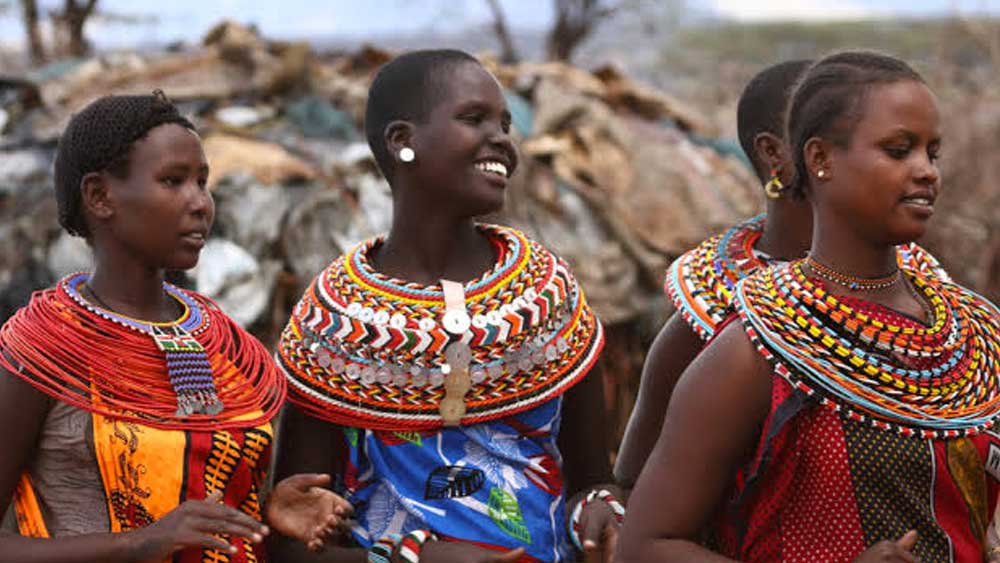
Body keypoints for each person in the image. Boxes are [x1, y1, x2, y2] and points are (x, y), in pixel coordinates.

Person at [617, 50, 1000, 562]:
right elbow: (644, 547)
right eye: (898, 150)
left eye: (932, 152)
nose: (926, 171)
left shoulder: (975, 332)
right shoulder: (756, 346)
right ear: (818, 159)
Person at [272, 49, 622, 563]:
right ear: (402, 142)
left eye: (505, 123)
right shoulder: (332, 321)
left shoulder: (548, 295)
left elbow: (592, 481)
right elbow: (293, 541)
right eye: (474, 119)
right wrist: (413, 559)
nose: (502, 137)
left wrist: (600, 511)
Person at [0, 92, 350, 563]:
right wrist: (137, 543)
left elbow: (199, 502)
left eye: (203, 182)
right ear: (100, 196)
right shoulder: (44, 347)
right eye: (173, 181)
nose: (201, 203)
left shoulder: (223, 344)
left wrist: (267, 514)